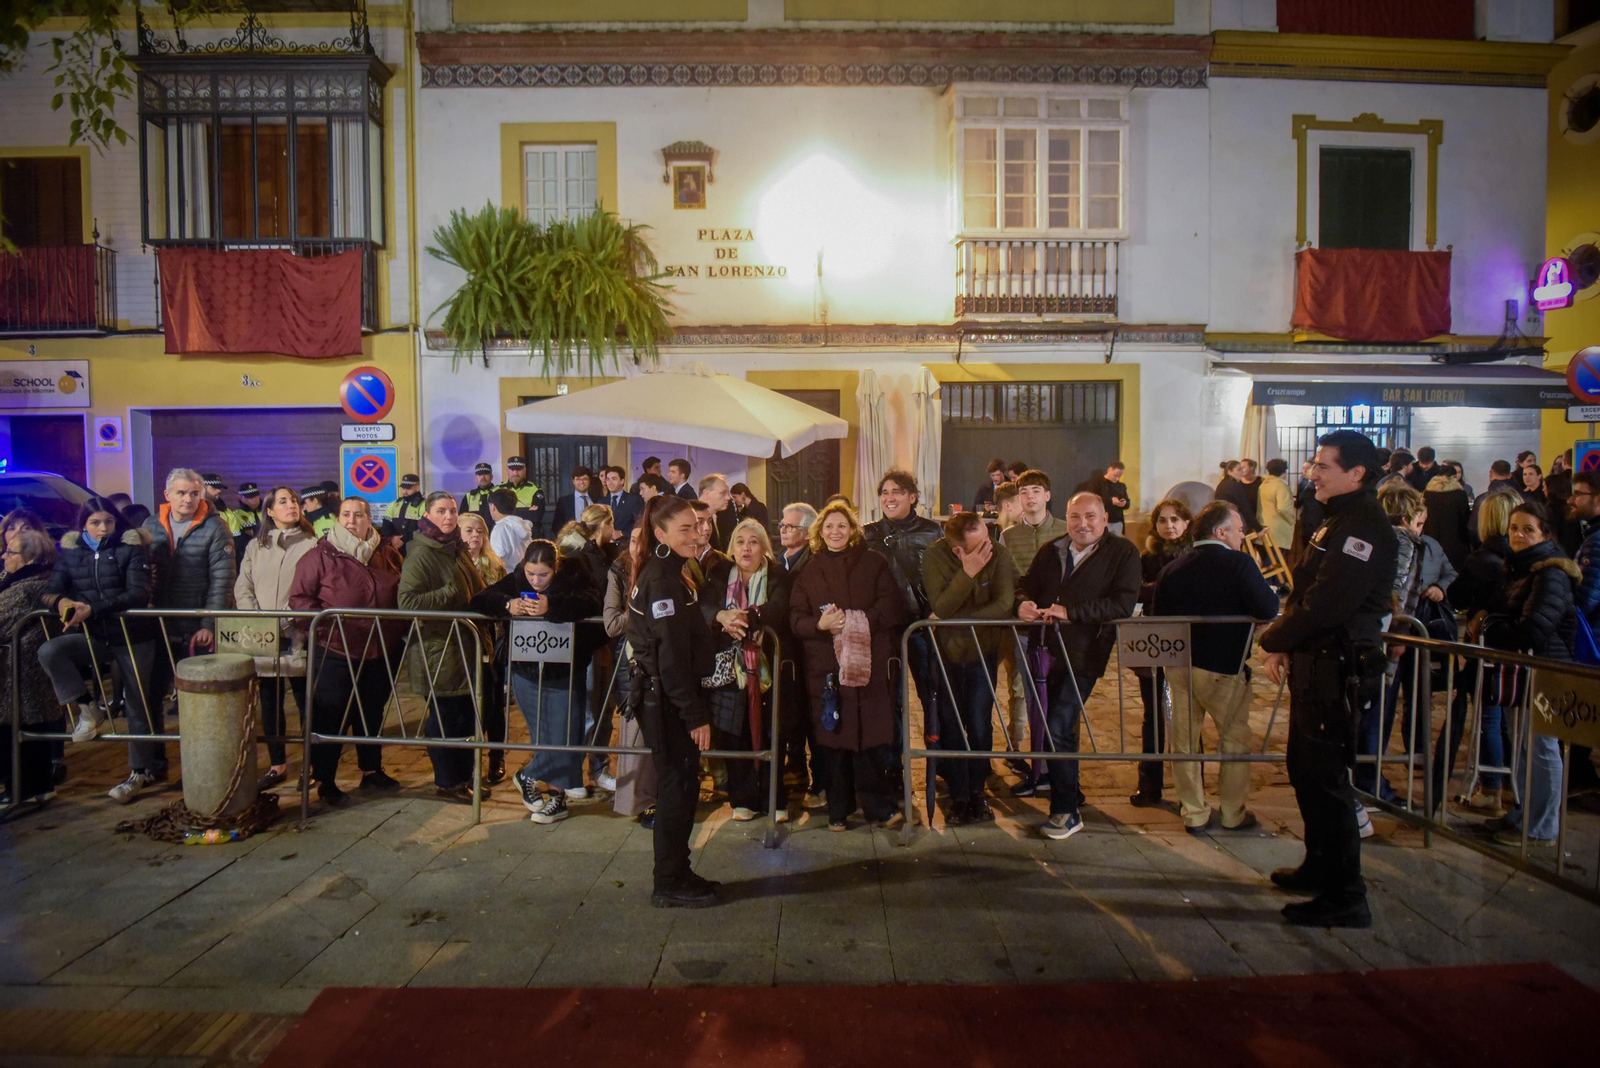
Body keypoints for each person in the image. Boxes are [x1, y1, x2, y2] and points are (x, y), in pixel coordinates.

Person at [1260, 430, 1397, 929]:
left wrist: (1273, 639)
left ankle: (1346, 893)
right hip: (1315, 662)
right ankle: (1320, 864)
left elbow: (1328, 603)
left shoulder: (1363, 527)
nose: (1311, 472)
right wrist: (1290, 643)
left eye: (1323, 466)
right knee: (1304, 768)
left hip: (1338, 667)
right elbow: (1305, 585)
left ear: (1356, 473)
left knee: (1327, 778)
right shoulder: (1333, 518)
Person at [1015, 492, 1140, 837]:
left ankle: (1065, 811)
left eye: (1090, 517)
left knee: (1058, 724)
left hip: (1085, 655)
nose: (1082, 524)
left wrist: (1072, 614)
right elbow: (1026, 584)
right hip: (1046, 651)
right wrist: (1022, 603)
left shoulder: (1123, 553)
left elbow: (1122, 603)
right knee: (1056, 726)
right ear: (1066, 518)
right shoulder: (1053, 550)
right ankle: (1069, 788)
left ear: (1104, 519)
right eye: (1075, 517)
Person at [1153, 500, 1279, 833]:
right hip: (1224, 667)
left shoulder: (1173, 568)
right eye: (1238, 530)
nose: (1241, 536)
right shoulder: (1239, 563)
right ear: (1220, 531)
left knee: (1184, 742)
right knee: (1234, 740)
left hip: (1179, 669)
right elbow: (1267, 606)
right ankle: (1233, 813)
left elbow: (1157, 620)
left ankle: (1194, 812)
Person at [790, 500, 909, 830]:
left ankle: (879, 807)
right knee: (834, 740)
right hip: (826, 667)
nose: (835, 531)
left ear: (853, 530)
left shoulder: (874, 564)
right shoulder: (810, 570)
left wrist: (858, 621)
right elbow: (796, 618)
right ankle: (838, 810)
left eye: (841, 525)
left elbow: (891, 605)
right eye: (829, 526)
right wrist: (821, 625)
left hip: (867, 666)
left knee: (871, 740)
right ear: (819, 532)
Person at [627, 494, 722, 907]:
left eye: (697, 525)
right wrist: (694, 714)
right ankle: (669, 880)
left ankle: (677, 872)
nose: (696, 533)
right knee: (677, 789)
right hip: (666, 702)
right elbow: (669, 658)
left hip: (667, 699)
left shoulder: (671, 572)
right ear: (661, 533)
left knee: (680, 788)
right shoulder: (662, 578)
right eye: (685, 528)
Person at [472, 539, 603, 824]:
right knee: (544, 736)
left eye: (542, 575)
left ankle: (528, 774)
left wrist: (552, 606)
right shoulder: (519, 576)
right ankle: (557, 799)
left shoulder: (576, 572)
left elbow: (593, 602)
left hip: (566, 671)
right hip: (526, 672)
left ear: (556, 567)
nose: (535, 581)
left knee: (567, 735)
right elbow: (480, 600)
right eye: (531, 574)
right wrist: (509, 604)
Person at [39, 498, 161, 802]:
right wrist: (62, 603)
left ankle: (140, 771)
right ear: (84, 525)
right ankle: (87, 707)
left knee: (137, 703)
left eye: (108, 521)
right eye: (95, 522)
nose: (103, 528)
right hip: (95, 635)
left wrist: (92, 609)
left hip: (134, 636)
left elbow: (137, 592)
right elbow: (50, 590)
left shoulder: (130, 546)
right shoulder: (71, 551)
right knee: (51, 651)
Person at [289, 495, 405, 805]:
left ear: (370, 520)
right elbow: (300, 599)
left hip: (380, 649)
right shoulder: (320, 556)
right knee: (331, 715)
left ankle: (371, 770)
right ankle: (326, 780)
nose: (352, 520)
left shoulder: (387, 554)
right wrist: (325, 627)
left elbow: (400, 591)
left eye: (359, 515)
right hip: (335, 650)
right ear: (338, 519)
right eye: (346, 515)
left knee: (370, 712)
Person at [1483, 503, 1577, 848]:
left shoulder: (1550, 572)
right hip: (1521, 670)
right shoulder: (1518, 567)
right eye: (1514, 528)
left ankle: (1541, 826)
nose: (1519, 535)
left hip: (1544, 669)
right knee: (1522, 746)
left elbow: (1534, 629)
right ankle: (1524, 814)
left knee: (1541, 749)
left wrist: (1491, 627)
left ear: (1545, 534)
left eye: (1528, 529)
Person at [922, 510, 1018, 824]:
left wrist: (958, 619)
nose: (986, 550)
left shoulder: (999, 553)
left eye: (986, 541)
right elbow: (941, 605)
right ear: (957, 550)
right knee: (950, 723)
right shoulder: (936, 557)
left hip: (983, 650)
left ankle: (977, 793)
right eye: (978, 547)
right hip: (947, 652)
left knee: (979, 723)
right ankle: (959, 794)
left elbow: (1004, 604)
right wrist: (968, 572)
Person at [398, 492, 492, 803]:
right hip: (439, 651)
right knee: (445, 719)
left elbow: (474, 590)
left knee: (465, 717)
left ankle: (464, 778)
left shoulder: (453, 549)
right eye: (441, 511)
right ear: (427, 515)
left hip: (463, 649)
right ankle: (448, 781)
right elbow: (407, 602)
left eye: (452, 510)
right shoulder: (422, 554)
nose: (449, 517)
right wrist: (450, 592)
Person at [701, 518, 792, 821]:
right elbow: (704, 607)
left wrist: (747, 617)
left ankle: (775, 799)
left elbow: (779, 608)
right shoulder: (717, 574)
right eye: (740, 542)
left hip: (767, 667)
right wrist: (721, 615)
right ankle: (743, 799)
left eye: (753, 541)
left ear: (764, 546)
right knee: (733, 731)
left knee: (770, 732)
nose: (746, 548)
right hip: (728, 668)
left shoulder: (778, 575)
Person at [1435, 491, 1518, 815]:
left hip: (1486, 645)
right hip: (1512, 648)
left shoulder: (1483, 559)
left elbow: (1456, 595)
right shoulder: (1520, 558)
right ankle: (1508, 784)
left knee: (1488, 716)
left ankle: (1491, 788)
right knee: (1505, 717)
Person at [234, 486, 317, 792]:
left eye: (294, 500)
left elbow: (311, 587)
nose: (291, 505)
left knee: (305, 700)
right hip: (263, 633)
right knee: (269, 701)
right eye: (283, 502)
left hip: (297, 633)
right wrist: (258, 619)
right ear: (269, 511)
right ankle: (277, 764)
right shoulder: (256, 547)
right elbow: (243, 586)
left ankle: (312, 765)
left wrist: (285, 616)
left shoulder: (312, 544)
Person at [143, 467, 235, 719]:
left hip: (195, 626)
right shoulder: (150, 526)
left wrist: (209, 622)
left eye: (194, 493)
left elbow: (222, 580)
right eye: (181, 493)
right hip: (158, 624)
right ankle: (155, 758)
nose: (188, 499)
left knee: (198, 700)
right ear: (167, 494)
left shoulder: (216, 527)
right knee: (150, 696)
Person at [863, 470, 942, 765]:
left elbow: (944, 574)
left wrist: (939, 609)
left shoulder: (932, 531)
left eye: (896, 491)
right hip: (885, 628)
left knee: (932, 695)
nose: (889, 498)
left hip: (923, 626)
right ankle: (892, 766)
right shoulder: (868, 534)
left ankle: (940, 764)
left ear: (913, 497)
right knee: (889, 700)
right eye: (884, 492)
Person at [999, 469, 1068, 785]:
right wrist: (1018, 605)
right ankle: (1019, 749)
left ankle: (1057, 755)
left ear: (1048, 496)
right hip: (1022, 623)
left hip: (1058, 625)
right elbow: (1007, 580)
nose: (1030, 497)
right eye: (1024, 492)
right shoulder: (1009, 536)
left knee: (1059, 689)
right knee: (1019, 687)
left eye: (1036, 491)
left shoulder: (1065, 532)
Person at [1131, 497, 1192, 807]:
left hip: (1188, 642)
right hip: (1155, 640)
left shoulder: (1196, 556)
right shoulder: (1147, 557)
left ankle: (1191, 790)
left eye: (1175, 520)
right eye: (1163, 520)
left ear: (1186, 523)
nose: (1169, 526)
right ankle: (1150, 784)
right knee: (1152, 714)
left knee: (1187, 717)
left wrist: (1160, 588)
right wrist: (1169, 586)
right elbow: (1138, 590)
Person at [2, 528, 61, 805]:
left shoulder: (27, 588)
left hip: (20, 672)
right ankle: (32, 787)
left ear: (29, 559)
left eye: (11, 553)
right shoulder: (24, 581)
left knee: (19, 730)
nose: (4, 556)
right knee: (25, 729)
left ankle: (24, 789)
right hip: (21, 672)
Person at [607, 526, 655, 826]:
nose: (638, 545)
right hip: (630, 660)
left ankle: (658, 797)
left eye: (643, 539)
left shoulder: (665, 567)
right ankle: (639, 802)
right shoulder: (618, 571)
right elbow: (612, 624)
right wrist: (640, 611)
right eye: (634, 539)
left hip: (661, 660)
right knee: (635, 734)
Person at [460, 510, 510, 786]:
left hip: (492, 643)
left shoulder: (494, 565)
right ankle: (467, 762)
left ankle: (496, 757)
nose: (475, 536)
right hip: (465, 644)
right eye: (469, 530)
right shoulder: (454, 564)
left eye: (479, 531)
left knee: (493, 704)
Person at [1566, 471, 1600, 795]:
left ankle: (1578, 780)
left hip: (1593, 640)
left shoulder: (1598, 541)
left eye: (1579, 494)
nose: (1572, 499)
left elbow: (1587, 596)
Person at [1423, 463, 1473, 572]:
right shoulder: (1460, 495)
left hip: (1432, 542)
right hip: (1455, 544)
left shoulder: (1427, 494)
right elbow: (1465, 521)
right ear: (1453, 478)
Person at [488, 489, 534, 575]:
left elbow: (497, 559)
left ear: (493, 507)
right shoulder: (522, 525)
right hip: (525, 575)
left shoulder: (500, 528)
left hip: (508, 578)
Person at [1080, 461, 1131, 535]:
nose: (1117, 478)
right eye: (1115, 475)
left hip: (1117, 521)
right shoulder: (1097, 484)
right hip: (1102, 520)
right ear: (1109, 470)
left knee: (1116, 544)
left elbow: (1127, 503)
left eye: (1120, 476)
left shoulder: (1121, 486)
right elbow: (1091, 500)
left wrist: (1124, 503)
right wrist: (1110, 501)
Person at [500, 456, 547, 533]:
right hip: (505, 534)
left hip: (528, 535)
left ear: (524, 470)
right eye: (512, 469)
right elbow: (494, 516)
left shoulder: (535, 490)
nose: (515, 473)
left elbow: (536, 517)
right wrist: (526, 511)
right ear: (507, 470)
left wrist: (507, 513)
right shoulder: (498, 490)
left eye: (519, 469)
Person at [1216, 459, 1263, 534]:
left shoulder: (1222, 484)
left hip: (1222, 521)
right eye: (1239, 470)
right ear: (1229, 472)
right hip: (1232, 523)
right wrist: (1259, 529)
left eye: (1242, 469)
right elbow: (1245, 507)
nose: (1242, 472)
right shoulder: (1234, 485)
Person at [1258, 460, 1296, 552]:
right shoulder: (1281, 486)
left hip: (1263, 527)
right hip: (1278, 531)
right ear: (1284, 472)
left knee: (1266, 562)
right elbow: (1283, 508)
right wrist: (1292, 519)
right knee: (1276, 562)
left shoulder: (1263, 484)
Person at [459, 513, 506, 586]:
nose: (475, 534)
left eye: (480, 531)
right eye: (469, 531)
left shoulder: (496, 567)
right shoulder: (452, 565)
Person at [383, 474, 427, 551]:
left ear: (417, 487)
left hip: (416, 548)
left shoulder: (424, 505)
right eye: (403, 488)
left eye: (408, 488)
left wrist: (402, 540)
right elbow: (386, 526)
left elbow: (425, 528)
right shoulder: (394, 504)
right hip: (395, 549)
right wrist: (392, 538)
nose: (405, 491)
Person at [601, 466, 645, 536]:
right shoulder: (601, 502)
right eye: (608, 479)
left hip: (625, 543)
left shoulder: (633, 500)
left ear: (622, 481)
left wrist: (622, 533)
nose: (610, 482)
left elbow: (639, 523)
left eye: (614, 479)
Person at [699, 474, 737, 553]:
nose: (728, 498)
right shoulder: (691, 520)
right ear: (706, 492)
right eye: (722, 493)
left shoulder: (719, 517)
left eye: (728, 493)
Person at [551, 467, 597, 533]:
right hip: (572, 540)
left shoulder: (597, 499)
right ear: (573, 481)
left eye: (585, 479)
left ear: (589, 481)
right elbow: (556, 525)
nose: (581, 482)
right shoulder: (564, 502)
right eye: (578, 479)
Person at [777, 502, 816, 573]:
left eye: (789, 527)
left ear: (807, 533)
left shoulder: (814, 564)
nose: (782, 530)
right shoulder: (778, 559)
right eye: (782, 525)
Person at [462, 463, 498, 528]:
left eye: (486, 474)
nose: (483, 477)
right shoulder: (469, 496)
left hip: (495, 534)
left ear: (491, 476)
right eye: (480, 474)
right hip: (475, 535)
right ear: (476, 478)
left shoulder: (499, 494)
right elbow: (462, 519)